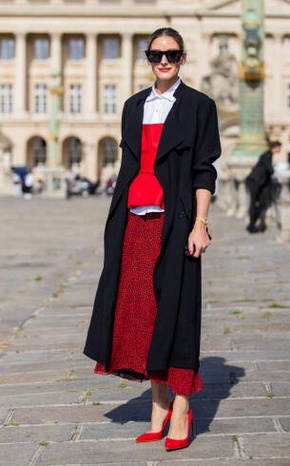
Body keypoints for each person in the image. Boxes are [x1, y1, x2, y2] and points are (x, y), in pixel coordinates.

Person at [84, 27, 221, 451]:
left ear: (182, 58)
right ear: (147, 59)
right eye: (157, 55)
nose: (164, 61)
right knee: (139, 309)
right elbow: (129, 167)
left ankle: (181, 406)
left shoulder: (199, 106)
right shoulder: (133, 106)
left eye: (173, 55)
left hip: (176, 222)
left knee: (177, 311)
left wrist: (200, 223)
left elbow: (204, 170)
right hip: (133, 222)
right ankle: (157, 405)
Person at [245, 140, 282, 233]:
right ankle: (251, 226)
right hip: (255, 182)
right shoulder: (267, 155)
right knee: (253, 203)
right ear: (276, 147)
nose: (280, 149)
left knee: (257, 203)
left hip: (256, 182)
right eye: (279, 147)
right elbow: (269, 168)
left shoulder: (267, 154)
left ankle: (253, 224)